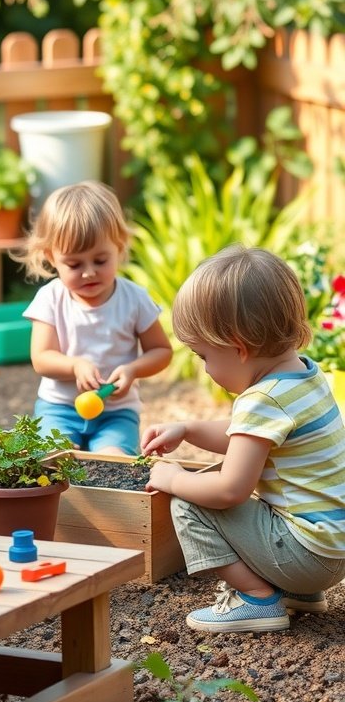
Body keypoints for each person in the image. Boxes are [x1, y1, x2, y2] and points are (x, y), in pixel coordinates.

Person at [141, 244, 345, 634]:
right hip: (331, 549)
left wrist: (174, 479)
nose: (203, 369)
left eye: (203, 356)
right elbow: (247, 436)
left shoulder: (261, 399)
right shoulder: (302, 375)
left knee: (191, 503)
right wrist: (187, 429)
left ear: (238, 348)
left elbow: (231, 490)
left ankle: (256, 599)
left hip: (307, 557)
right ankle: (297, 593)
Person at [17, 181, 172, 456]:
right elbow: (41, 358)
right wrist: (75, 365)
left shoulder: (134, 298)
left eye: (100, 261)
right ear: (51, 256)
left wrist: (133, 370)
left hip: (116, 412)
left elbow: (161, 351)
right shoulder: (51, 298)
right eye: (74, 265)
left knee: (113, 463)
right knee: (52, 460)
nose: (89, 273)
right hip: (59, 409)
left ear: (119, 246)